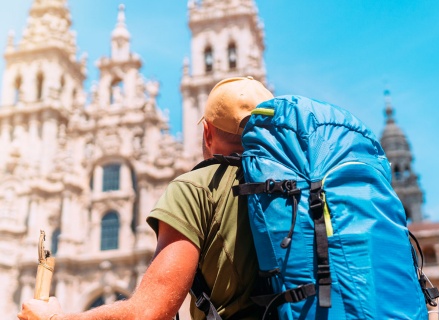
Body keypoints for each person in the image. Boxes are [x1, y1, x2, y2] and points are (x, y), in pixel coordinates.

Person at [18, 76, 274, 320]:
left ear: (207, 133)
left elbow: (149, 312)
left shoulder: (197, 188)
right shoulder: (301, 190)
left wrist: (54, 317)